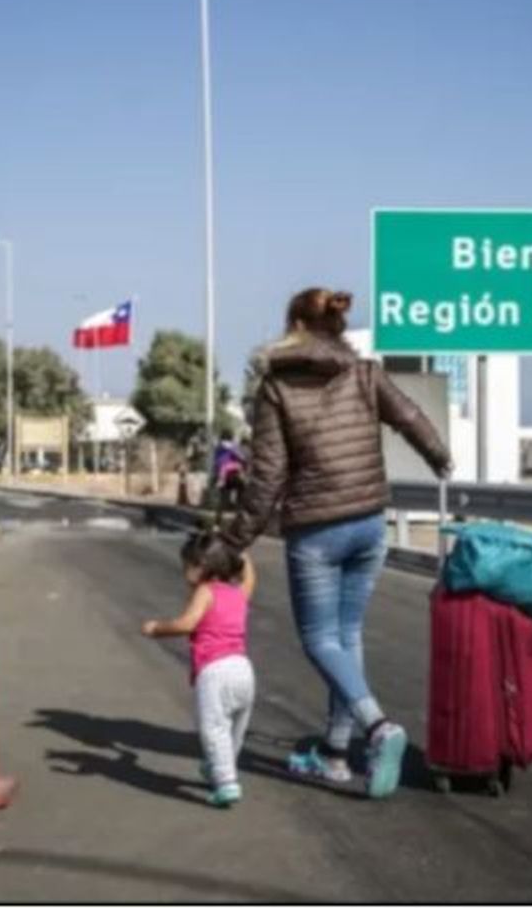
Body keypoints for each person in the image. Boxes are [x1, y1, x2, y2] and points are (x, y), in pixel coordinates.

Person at [217, 288, 451, 800]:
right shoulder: (364, 373)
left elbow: (268, 479)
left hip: (317, 530)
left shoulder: (276, 386)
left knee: (321, 640)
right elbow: (409, 416)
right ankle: (335, 755)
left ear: (294, 324)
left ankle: (377, 726)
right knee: (347, 637)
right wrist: (439, 455)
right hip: (369, 522)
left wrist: (233, 541)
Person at [141, 533, 257, 808]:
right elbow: (251, 579)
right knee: (234, 729)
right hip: (243, 669)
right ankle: (219, 767)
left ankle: (227, 783)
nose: (184, 572)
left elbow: (187, 623)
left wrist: (156, 628)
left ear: (201, 566)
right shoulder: (237, 593)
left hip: (214, 671)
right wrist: (243, 552)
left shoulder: (205, 592)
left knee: (213, 728)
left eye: (187, 565)